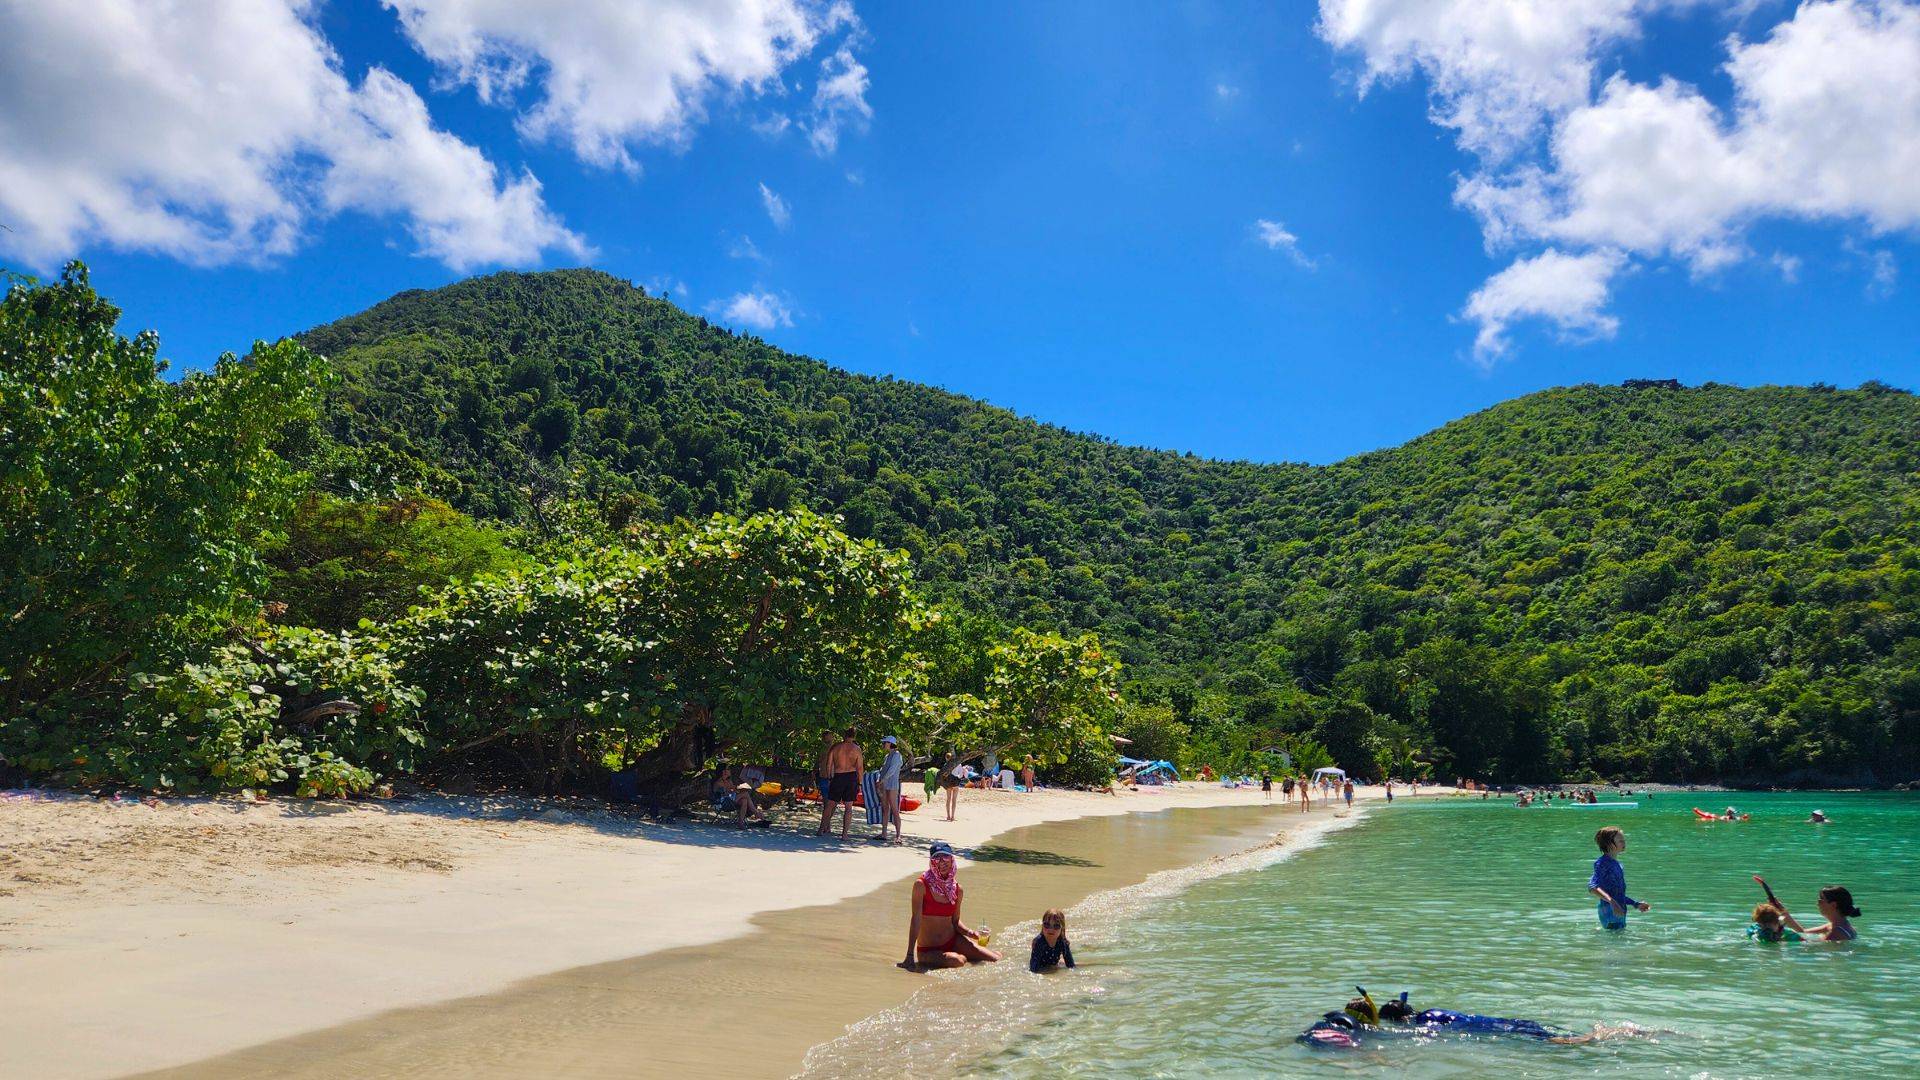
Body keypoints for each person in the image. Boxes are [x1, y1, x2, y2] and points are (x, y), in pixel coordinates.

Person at [900, 841, 1001, 970]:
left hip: (953, 940)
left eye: (946, 858)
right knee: (959, 960)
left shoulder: (957, 889)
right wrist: (909, 955)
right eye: (937, 858)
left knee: (996, 959)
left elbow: (955, 921)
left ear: (952, 860)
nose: (942, 863)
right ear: (931, 861)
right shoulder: (921, 885)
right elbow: (915, 920)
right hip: (928, 949)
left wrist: (972, 933)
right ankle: (966, 956)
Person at [1753, 875, 1859, 941]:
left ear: (1833, 905)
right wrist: (1783, 912)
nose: (1817, 902)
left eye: (1821, 900)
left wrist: (1775, 937)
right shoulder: (1837, 925)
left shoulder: (1837, 932)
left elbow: (1811, 947)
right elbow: (1803, 932)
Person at [1587, 826, 1650, 929]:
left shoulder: (1618, 865)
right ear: (1609, 844)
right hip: (1609, 912)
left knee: (1617, 941)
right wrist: (1612, 903)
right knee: (1615, 940)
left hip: (1618, 910)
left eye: (1624, 840)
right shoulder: (1602, 863)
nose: (1624, 843)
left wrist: (1635, 904)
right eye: (1620, 841)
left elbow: (1617, 895)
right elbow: (1592, 887)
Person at [818, 727, 864, 840]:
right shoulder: (857, 749)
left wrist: (829, 777)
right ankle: (844, 835)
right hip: (851, 777)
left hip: (838, 776)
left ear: (844, 735)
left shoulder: (836, 747)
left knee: (830, 805)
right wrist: (860, 782)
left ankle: (820, 830)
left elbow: (829, 765)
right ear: (854, 736)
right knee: (848, 807)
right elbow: (860, 768)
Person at [1029, 908, 1075, 973]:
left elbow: (1071, 965)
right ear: (1042, 926)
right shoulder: (1039, 942)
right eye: (1047, 925)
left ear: (1062, 928)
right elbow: (1033, 969)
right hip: (1042, 966)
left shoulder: (1062, 942)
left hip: (1054, 964)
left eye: (1056, 926)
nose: (1051, 929)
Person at [877, 735, 904, 842]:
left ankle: (898, 836)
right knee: (885, 809)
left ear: (890, 743)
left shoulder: (897, 755)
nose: (883, 745)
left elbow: (892, 770)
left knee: (894, 809)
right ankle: (884, 834)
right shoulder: (887, 756)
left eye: (885, 743)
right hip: (884, 784)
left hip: (892, 785)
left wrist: (882, 780)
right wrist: (880, 780)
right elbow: (882, 770)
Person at [942, 752, 960, 822]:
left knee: (948, 799)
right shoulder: (958, 764)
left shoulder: (946, 765)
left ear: (946, 758)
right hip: (955, 782)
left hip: (948, 783)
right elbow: (960, 774)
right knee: (954, 800)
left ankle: (948, 816)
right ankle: (953, 816)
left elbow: (944, 775)